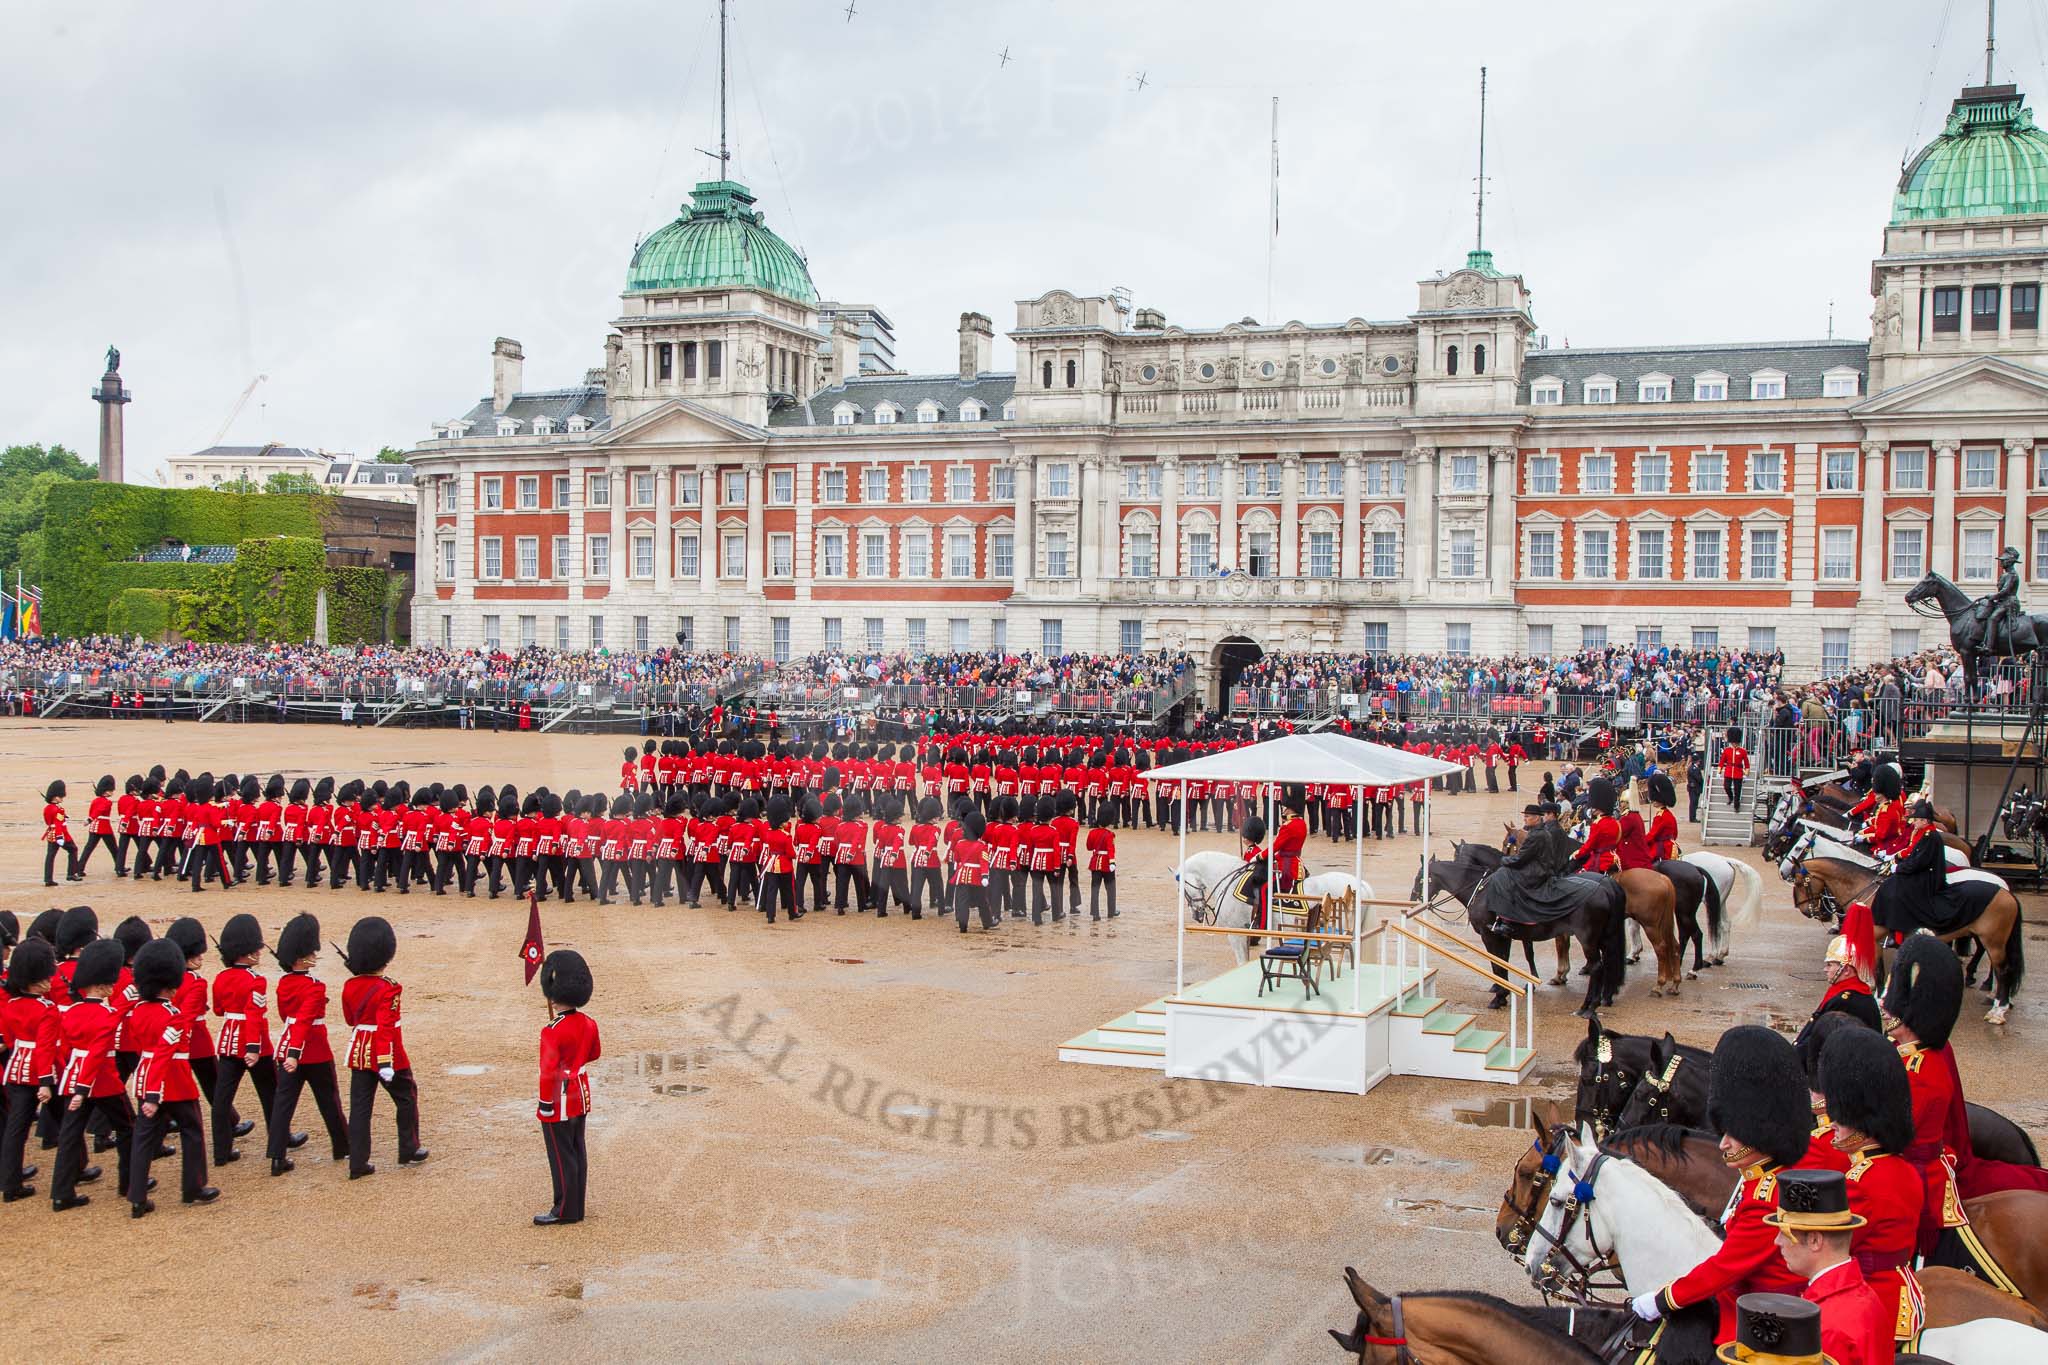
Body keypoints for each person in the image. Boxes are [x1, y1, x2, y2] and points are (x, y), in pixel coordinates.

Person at [1632, 1026, 1814, 1343]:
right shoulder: (1761, 1179)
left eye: (1734, 1134)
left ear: (1760, 1132)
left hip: (1763, 1325)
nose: (1723, 1144)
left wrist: (1661, 1300)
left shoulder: (1768, 1198)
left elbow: (1725, 1269)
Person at [1818, 1025, 1924, 1349]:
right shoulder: (1901, 1168)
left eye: (1841, 1116)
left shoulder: (1860, 1181)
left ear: (1862, 1121)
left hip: (1873, 1298)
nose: (1832, 1122)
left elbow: (1825, 1251)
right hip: (1904, 1289)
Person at [125, 938, 218, 1217]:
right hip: (172, 1081)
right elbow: (166, 1052)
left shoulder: (138, 1011)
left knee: (143, 1138)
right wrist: (155, 1094)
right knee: (192, 1131)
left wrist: (149, 1092)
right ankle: (193, 1186)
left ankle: (137, 1196)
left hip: (145, 1077)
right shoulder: (172, 1015)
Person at [1765, 1169, 1892, 1365]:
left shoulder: (1823, 1325)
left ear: (1815, 1240)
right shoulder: (1865, 1297)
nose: (1777, 1241)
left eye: (1784, 1233)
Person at [50, 938, 133, 1212]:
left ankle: (62, 1192)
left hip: (73, 1075)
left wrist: (75, 1081)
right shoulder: (106, 1014)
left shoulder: (71, 1012)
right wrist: (84, 1086)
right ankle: (128, 1183)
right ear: (100, 985)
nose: (112, 989)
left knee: (70, 1134)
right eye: (109, 985)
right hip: (103, 1079)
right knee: (127, 1128)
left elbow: (63, 1047)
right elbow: (98, 1052)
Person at [341, 916, 426, 1179]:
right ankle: (408, 1148)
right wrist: (386, 1063)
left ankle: (358, 1162)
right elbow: (386, 1026)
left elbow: (349, 1019)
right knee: (406, 1097)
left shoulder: (350, 986)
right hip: (387, 1053)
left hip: (359, 1053)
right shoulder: (389, 988)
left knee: (360, 1108)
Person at [210, 913, 290, 1167]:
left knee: (222, 1099)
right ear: (249, 952)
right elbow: (254, 1015)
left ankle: (221, 1152)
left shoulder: (221, 978)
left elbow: (219, 1010)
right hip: (253, 1044)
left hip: (228, 1042)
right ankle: (280, 1141)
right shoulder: (256, 980)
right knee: (272, 1096)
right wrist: (253, 1047)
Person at [535, 949, 599, 1226]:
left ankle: (564, 1210)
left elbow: (548, 1071)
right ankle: (576, 1205)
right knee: (576, 1150)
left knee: (561, 1155)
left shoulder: (552, 1030)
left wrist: (545, 1104)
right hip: (580, 1093)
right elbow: (594, 1054)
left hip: (559, 1098)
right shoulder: (589, 1023)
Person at [1, 938, 58, 1202]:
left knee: (16, 1128)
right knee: (68, 1124)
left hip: (15, 1069)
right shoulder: (46, 1009)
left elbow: (10, 1040)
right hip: (41, 1070)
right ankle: (75, 1170)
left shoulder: (11, 1005)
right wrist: (46, 1080)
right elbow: (45, 1047)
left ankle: (10, 1183)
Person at [1792, 937, 1880, 1053]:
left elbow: (1819, 1038)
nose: (1825, 969)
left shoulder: (1846, 1000)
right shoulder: (1845, 991)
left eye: (1830, 965)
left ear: (1847, 970)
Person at [1569, 778, 1621, 874]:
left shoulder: (1598, 824)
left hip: (1600, 861)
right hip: (1614, 858)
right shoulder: (1616, 822)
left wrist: (1576, 854)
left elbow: (1589, 845)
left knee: (1578, 877)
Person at [42, 779, 81, 887]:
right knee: (73, 849)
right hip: (60, 834)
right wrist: (60, 837)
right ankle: (71, 873)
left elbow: (49, 821)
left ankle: (48, 879)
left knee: (50, 856)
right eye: (61, 796)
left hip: (51, 834)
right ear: (55, 797)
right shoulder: (59, 810)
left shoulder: (47, 808)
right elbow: (58, 823)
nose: (62, 798)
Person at [1085, 807, 1118, 921]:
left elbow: (1089, 847)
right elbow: (1111, 849)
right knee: (1111, 888)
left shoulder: (1092, 832)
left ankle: (1095, 913)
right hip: (1106, 864)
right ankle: (1111, 911)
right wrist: (1112, 862)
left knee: (1095, 889)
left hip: (1095, 863)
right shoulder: (1109, 834)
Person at [1719, 729, 1751, 812]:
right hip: (1729, 771)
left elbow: (1746, 763)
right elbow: (1722, 761)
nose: (1734, 743)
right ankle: (1730, 797)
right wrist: (1719, 771)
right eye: (1733, 742)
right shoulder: (1727, 750)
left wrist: (1746, 774)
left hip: (1738, 771)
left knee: (1737, 790)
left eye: (1735, 742)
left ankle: (1736, 806)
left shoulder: (1742, 751)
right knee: (1726, 787)